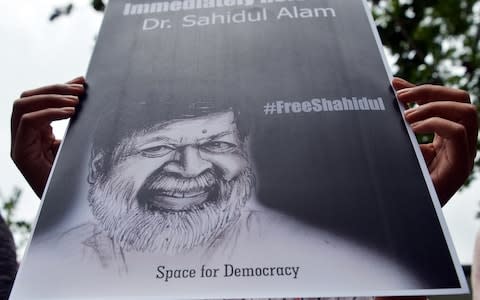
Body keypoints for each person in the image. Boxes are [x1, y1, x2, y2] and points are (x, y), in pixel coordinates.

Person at [8, 76, 478, 299]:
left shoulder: (325, 255)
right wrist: (53, 212)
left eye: (215, 143)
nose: (190, 168)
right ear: (97, 166)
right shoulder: (61, 266)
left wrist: (417, 216)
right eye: (155, 149)